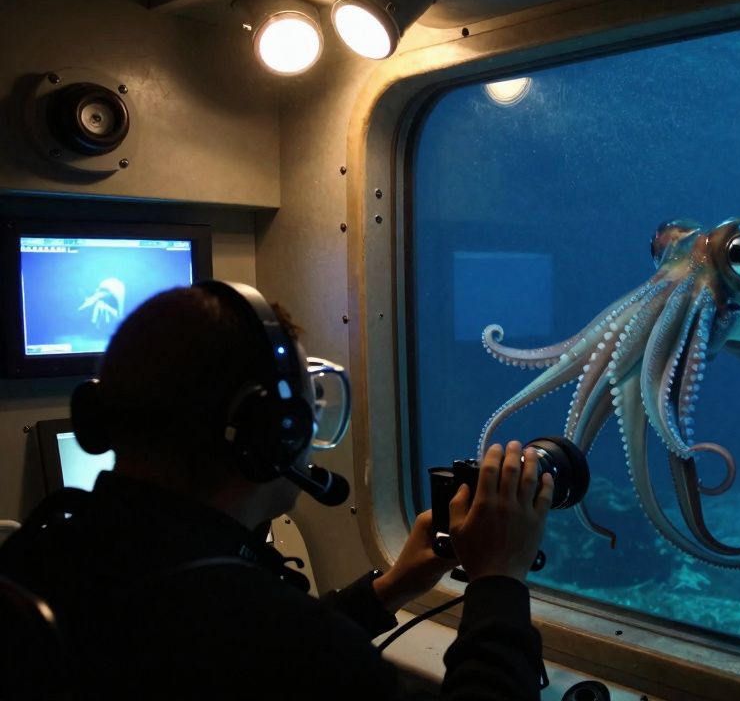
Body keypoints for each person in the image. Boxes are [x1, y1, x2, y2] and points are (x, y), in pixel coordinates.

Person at [0, 281, 554, 700]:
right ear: (272, 429)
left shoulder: (45, 553)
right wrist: (499, 579)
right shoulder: (275, 640)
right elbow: (276, 640)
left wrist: (391, 587)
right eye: (303, 408)